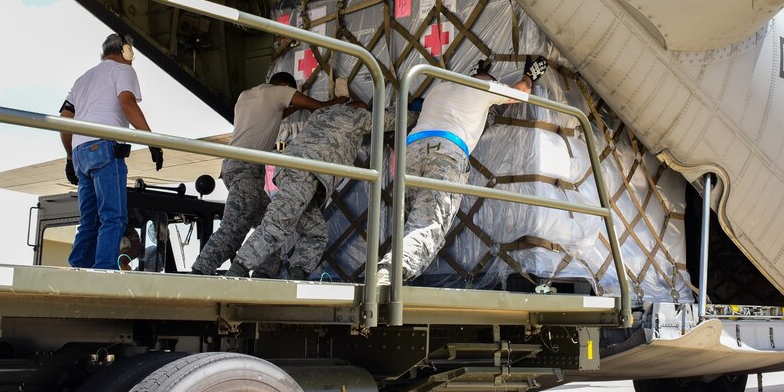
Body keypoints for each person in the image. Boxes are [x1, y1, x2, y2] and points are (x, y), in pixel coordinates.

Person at [377, 57, 549, 285]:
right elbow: (521, 92)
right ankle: (390, 273)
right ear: (486, 79)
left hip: (410, 152)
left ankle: (397, 272)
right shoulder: (484, 87)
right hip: (445, 151)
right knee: (429, 221)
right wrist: (529, 75)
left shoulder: (440, 88)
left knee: (412, 220)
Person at [189, 72, 343, 274]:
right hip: (247, 168)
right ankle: (200, 271)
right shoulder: (280, 92)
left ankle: (263, 276)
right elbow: (319, 107)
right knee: (234, 229)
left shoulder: (246, 96)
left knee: (268, 232)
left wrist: (294, 105)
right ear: (287, 86)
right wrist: (339, 101)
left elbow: (274, 113)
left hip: (233, 166)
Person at [231, 99, 392, 279]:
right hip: (306, 173)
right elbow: (389, 119)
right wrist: (418, 113)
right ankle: (239, 269)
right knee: (277, 223)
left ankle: (297, 274)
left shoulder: (321, 113)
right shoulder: (356, 116)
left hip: (290, 169)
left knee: (316, 232)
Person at [60, 33, 162, 270]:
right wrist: (152, 141)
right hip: (104, 147)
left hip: (80, 152)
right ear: (127, 51)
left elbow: (65, 118)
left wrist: (69, 157)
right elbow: (127, 103)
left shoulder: (82, 80)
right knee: (113, 217)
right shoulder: (123, 70)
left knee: (89, 221)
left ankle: (78, 269)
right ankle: (104, 269)